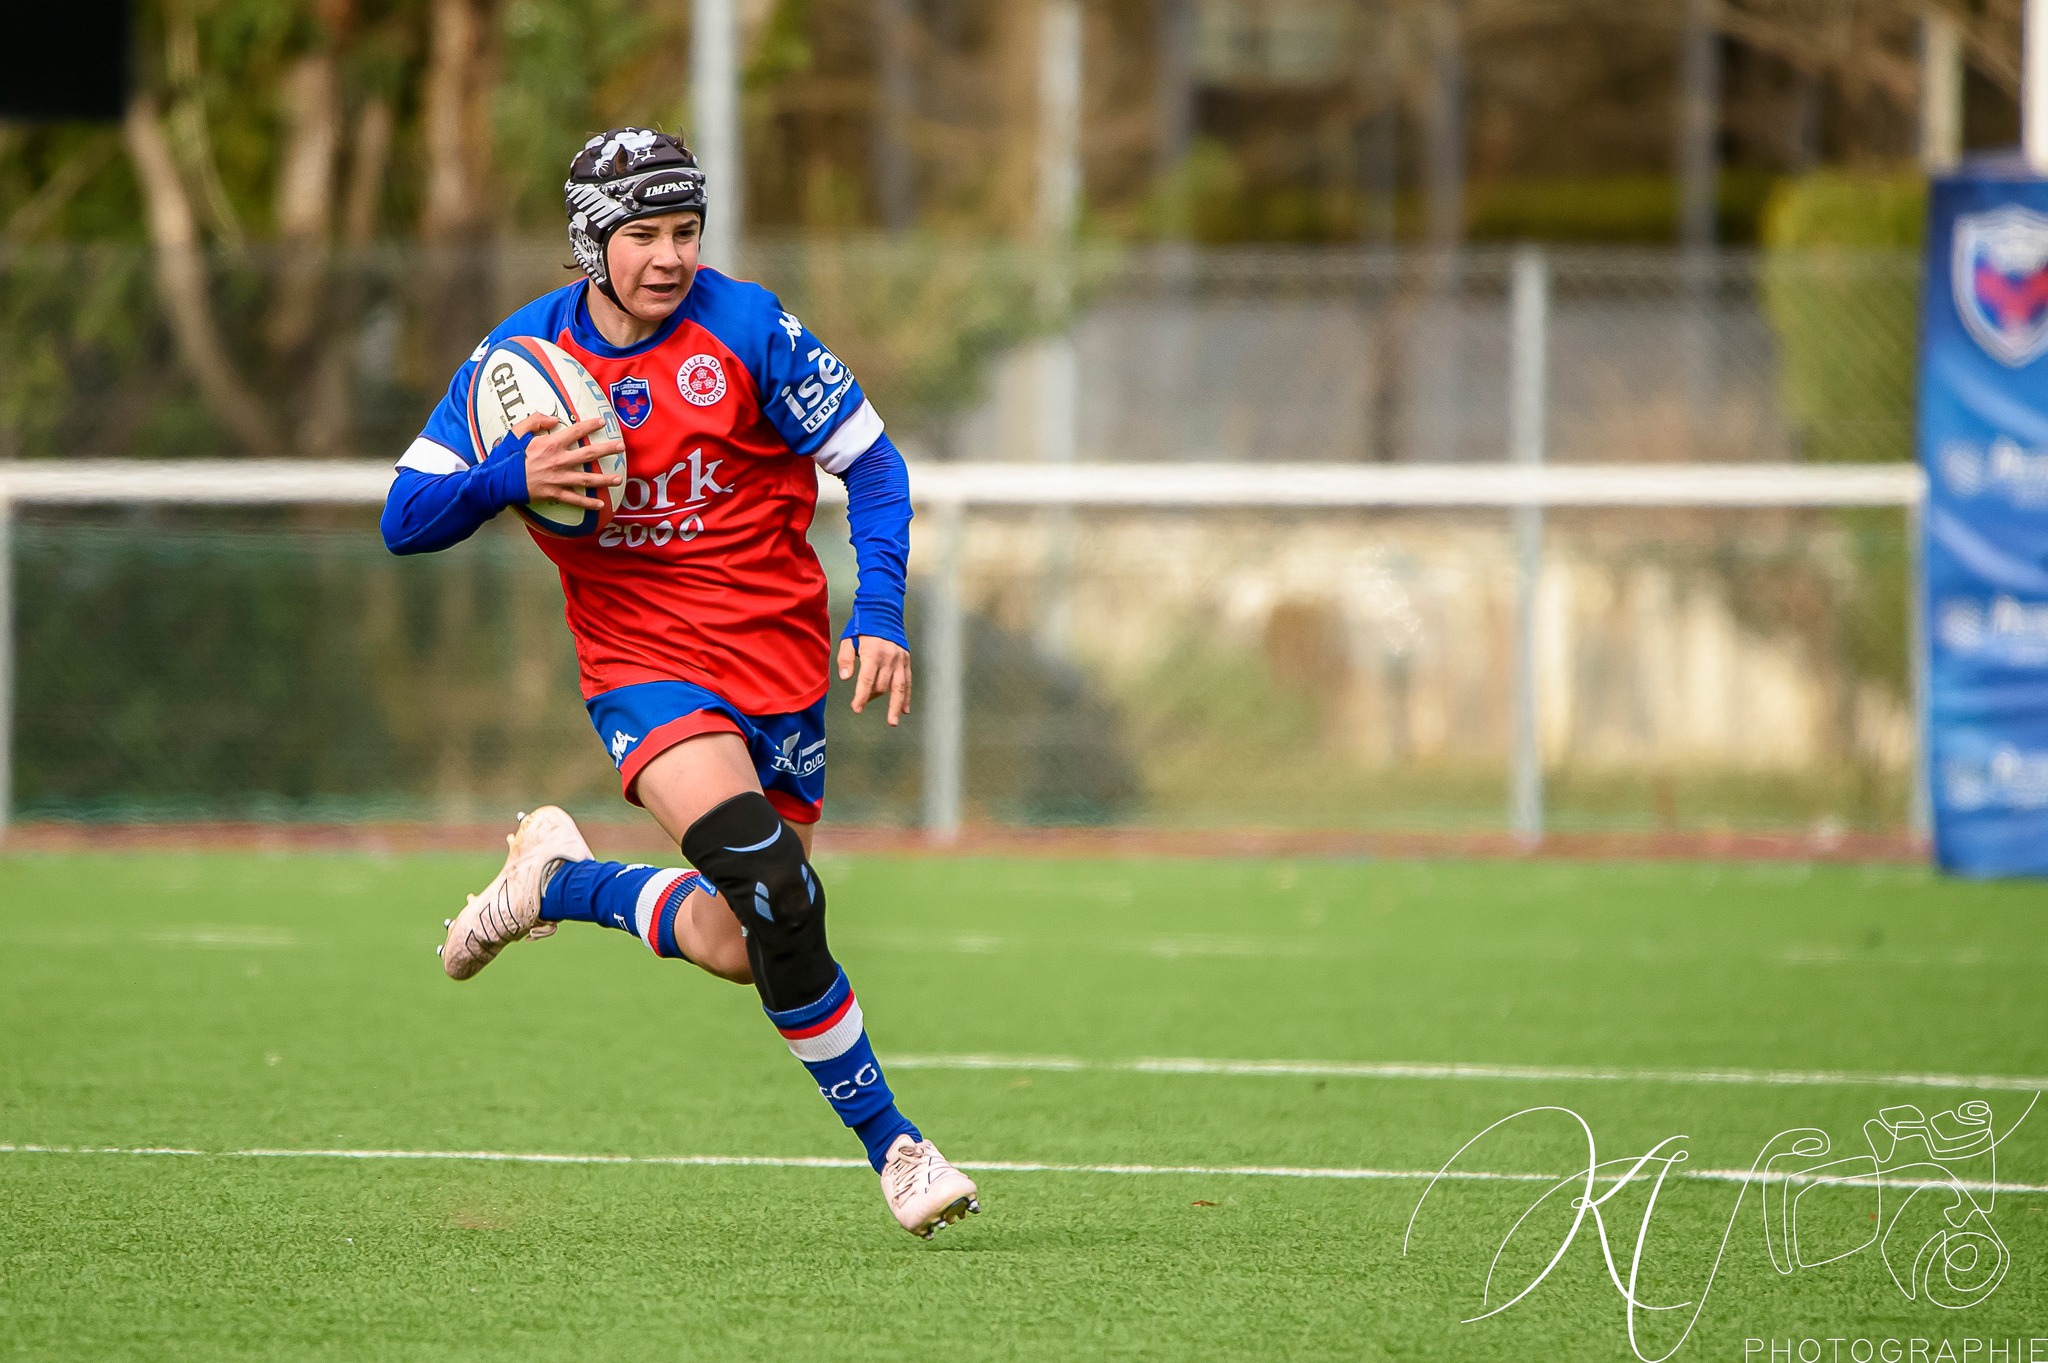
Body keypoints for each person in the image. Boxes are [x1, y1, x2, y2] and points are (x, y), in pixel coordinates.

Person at [378, 127, 979, 1239]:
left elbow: (874, 464)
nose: (666, 257)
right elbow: (402, 519)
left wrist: (881, 609)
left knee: (740, 942)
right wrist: (511, 472)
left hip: (781, 662)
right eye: (641, 234)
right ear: (588, 241)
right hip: (644, 669)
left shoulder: (749, 329)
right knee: (778, 888)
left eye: (684, 231)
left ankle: (554, 884)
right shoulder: (518, 365)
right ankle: (897, 1146)